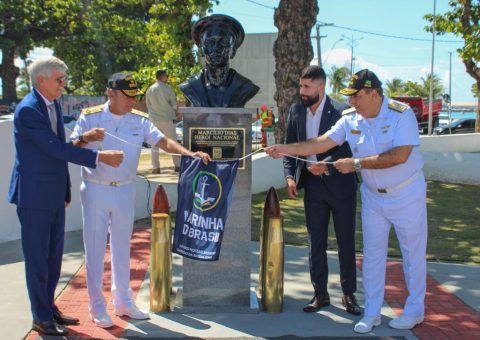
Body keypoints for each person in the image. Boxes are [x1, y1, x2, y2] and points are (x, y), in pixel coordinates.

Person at [266, 69, 427, 333]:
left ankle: (414, 310)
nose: (352, 102)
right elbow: (321, 143)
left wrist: (355, 164)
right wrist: (284, 149)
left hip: (406, 193)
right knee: (373, 255)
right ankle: (372, 312)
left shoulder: (402, 114)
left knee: (412, 254)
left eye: (357, 97)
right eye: (350, 97)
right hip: (374, 196)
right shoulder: (351, 118)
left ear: (373, 94)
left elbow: (399, 156)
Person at [71, 72, 211, 328]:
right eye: (128, 96)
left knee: (122, 247)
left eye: (136, 96)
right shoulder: (89, 116)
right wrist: (87, 139)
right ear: (110, 93)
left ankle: (123, 301)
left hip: (125, 189)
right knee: (94, 248)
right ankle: (97, 306)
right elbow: (71, 148)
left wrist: (188, 152)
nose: (133, 101)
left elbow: (163, 141)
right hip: (95, 189)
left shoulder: (139, 120)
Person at [7, 57, 124, 336]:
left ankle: (49, 308)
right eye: (60, 79)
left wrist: (83, 138)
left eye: (64, 78)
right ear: (42, 80)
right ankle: (41, 317)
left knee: (53, 257)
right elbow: (53, 149)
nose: (64, 84)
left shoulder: (53, 104)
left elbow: (59, 146)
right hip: (34, 197)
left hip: (54, 194)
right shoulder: (27, 111)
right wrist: (98, 156)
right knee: (38, 259)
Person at [284, 66, 359, 315]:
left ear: (321, 87)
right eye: (300, 86)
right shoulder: (296, 110)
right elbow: (291, 146)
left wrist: (326, 166)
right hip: (313, 187)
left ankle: (349, 295)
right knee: (315, 242)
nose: (301, 91)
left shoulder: (341, 111)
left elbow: (350, 148)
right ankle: (320, 294)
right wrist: (289, 176)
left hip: (341, 185)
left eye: (306, 87)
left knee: (345, 241)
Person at [180, 14, 259, 108]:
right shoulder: (190, 86)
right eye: (210, 43)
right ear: (202, 49)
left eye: (223, 42)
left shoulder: (245, 87)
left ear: (233, 50)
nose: (216, 48)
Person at [145, 69, 180, 173]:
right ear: (163, 76)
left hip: (154, 120)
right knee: (173, 142)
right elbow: (174, 105)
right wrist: (176, 113)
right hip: (167, 119)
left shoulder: (150, 89)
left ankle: (155, 167)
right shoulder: (168, 89)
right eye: (167, 75)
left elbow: (148, 105)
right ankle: (177, 165)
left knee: (154, 144)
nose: (168, 77)